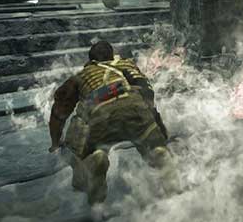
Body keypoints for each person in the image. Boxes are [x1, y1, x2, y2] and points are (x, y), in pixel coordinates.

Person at [48, 41, 177, 204]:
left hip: (100, 115)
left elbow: (59, 112)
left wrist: (55, 142)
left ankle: (93, 159)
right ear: (112, 56)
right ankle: (157, 153)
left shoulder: (82, 75)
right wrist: (160, 135)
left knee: (78, 132)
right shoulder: (129, 66)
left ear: (91, 61)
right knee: (152, 145)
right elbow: (148, 97)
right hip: (137, 110)